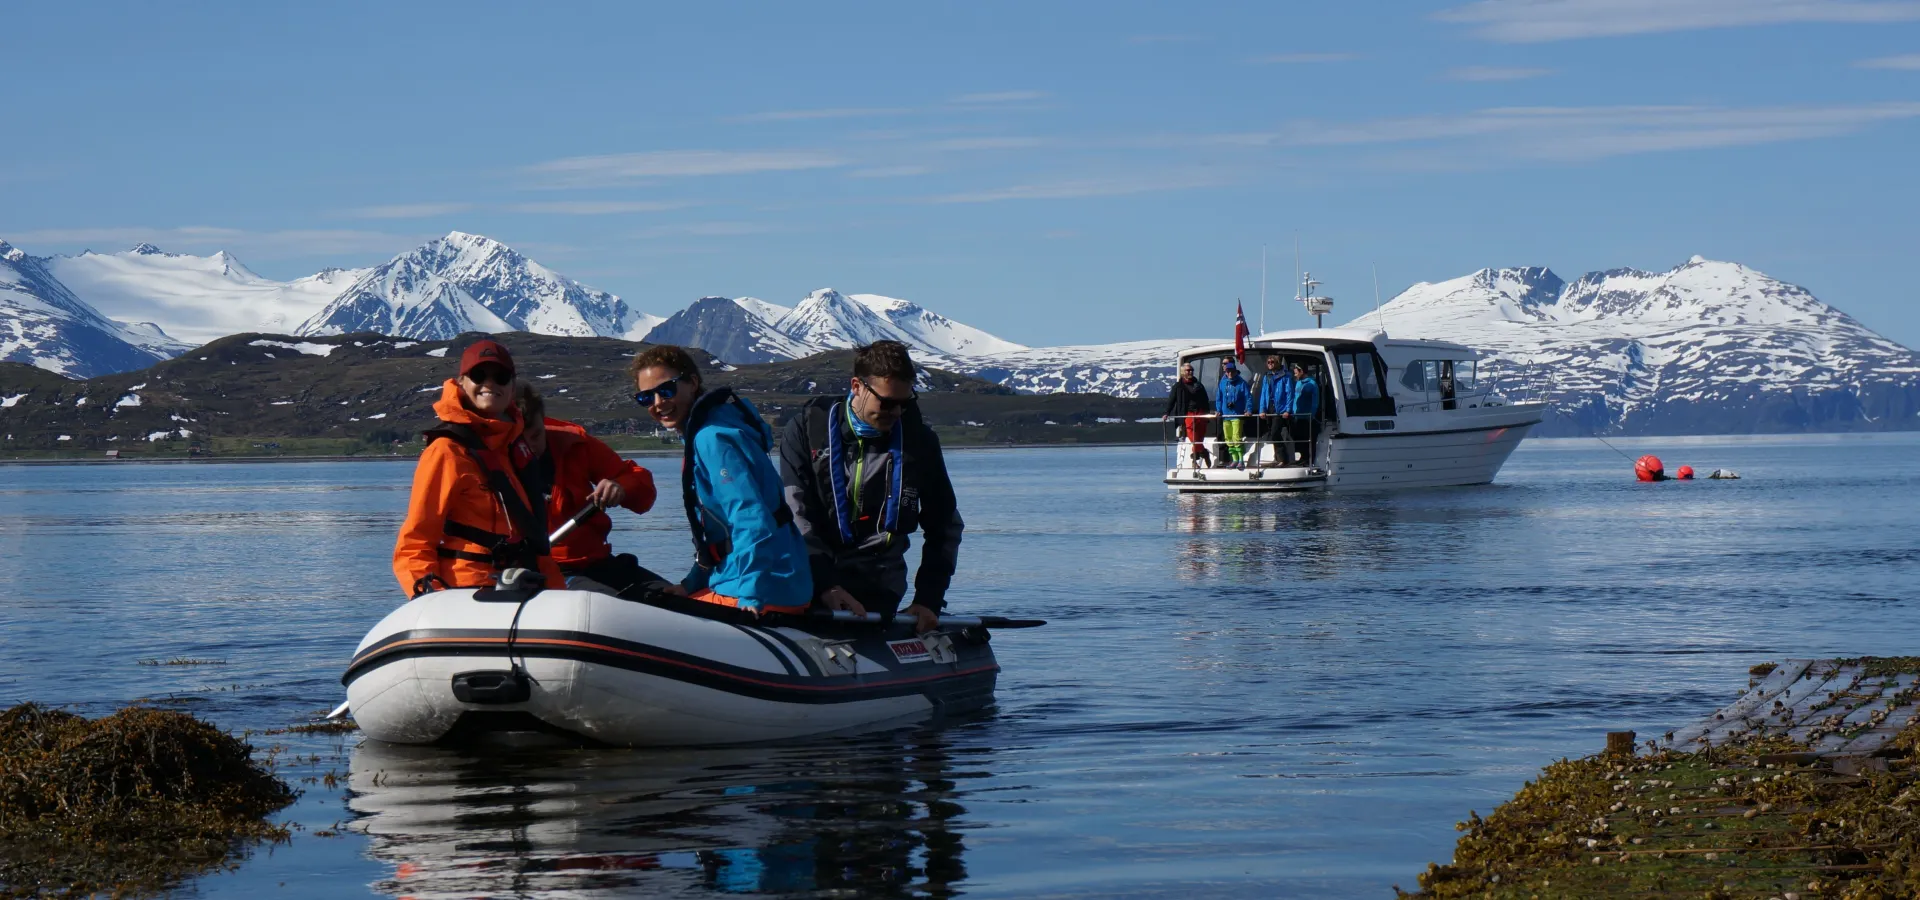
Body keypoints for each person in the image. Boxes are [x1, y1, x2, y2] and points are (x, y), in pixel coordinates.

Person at [780, 340, 962, 634]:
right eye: (887, 403)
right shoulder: (805, 430)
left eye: (905, 403)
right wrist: (826, 585)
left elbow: (945, 527)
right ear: (857, 386)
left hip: (879, 586)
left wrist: (929, 599)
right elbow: (797, 515)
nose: (897, 413)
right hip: (811, 579)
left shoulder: (920, 441)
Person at [630, 344, 812, 613]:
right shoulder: (719, 427)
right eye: (646, 398)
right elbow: (717, 535)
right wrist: (691, 584)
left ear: (692, 383)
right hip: (771, 580)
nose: (658, 403)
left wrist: (750, 597)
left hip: (763, 589)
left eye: (666, 390)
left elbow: (751, 519)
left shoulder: (711, 439)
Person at [393, 339, 565, 598]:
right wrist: (430, 600)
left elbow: (534, 544)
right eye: (478, 375)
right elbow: (415, 543)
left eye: (501, 376)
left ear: (512, 385)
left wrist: (558, 596)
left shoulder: (513, 448)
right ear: (462, 382)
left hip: (522, 588)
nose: (489, 383)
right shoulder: (446, 451)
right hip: (465, 593)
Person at [515, 384, 663, 597]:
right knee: (615, 607)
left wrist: (622, 487)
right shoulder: (489, 460)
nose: (532, 447)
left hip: (597, 563)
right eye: (521, 441)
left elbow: (641, 486)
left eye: (537, 435)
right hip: (545, 573)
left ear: (543, 421)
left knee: (677, 598)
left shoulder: (575, 444)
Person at [1162, 361, 1212, 467]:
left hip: (1200, 413)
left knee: (1199, 439)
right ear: (1182, 372)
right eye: (1188, 370)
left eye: (1191, 370)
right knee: (1193, 438)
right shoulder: (1178, 386)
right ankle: (1201, 455)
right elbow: (1172, 400)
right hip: (1188, 414)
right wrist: (1167, 413)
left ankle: (1198, 457)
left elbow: (1205, 400)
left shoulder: (1199, 385)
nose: (1190, 372)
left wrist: (1207, 414)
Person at [1249, 355, 1295, 467]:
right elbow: (1264, 394)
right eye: (1268, 362)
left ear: (1278, 363)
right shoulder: (1267, 376)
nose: (1270, 363)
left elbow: (1289, 393)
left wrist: (1288, 410)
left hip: (1280, 409)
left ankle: (1283, 459)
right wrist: (1262, 409)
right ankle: (1278, 457)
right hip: (1270, 408)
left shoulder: (1286, 376)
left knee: (1275, 433)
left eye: (1272, 362)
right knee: (1272, 433)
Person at [1284, 361, 1321, 466]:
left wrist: (1312, 414)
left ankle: (1309, 459)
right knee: (1299, 438)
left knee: (1307, 438)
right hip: (1297, 416)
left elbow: (1315, 401)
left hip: (1307, 417)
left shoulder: (1312, 384)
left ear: (1302, 371)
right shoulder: (1298, 383)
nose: (1295, 374)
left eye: (1296, 372)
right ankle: (1302, 457)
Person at [1215, 358, 1250, 466]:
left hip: (1237, 415)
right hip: (1226, 415)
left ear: (1235, 371)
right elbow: (1219, 398)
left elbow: (1248, 397)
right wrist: (1218, 410)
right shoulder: (1223, 382)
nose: (1229, 373)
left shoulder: (1241, 383)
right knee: (1228, 439)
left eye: (1231, 371)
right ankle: (1234, 459)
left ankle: (1241, 460)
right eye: (1227, 371)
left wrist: (1248, 409)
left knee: (1236, 437)